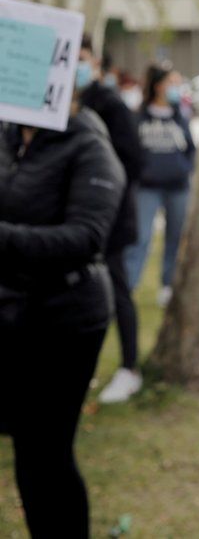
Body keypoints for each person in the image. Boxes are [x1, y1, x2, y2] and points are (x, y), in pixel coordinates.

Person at [0, 83, 125, 535]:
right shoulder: (10, 137)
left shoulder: (90, 146)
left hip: (67, 319)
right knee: (29, 451)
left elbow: (87, 237)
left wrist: (5, 238)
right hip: (13, 311)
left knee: (47, 450)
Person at [77, 34, 147, 403]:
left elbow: (133, 161)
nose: (74, 64)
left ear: (96, 64)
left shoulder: (110, 105)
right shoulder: (53, 106)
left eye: (82, 57)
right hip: (70, 224)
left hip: (111, 221)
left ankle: (129, 367)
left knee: (118, 293)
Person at [126, 62, 196, 307]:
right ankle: (129, 286)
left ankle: (167, 286)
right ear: (157, 86)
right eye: (171, 83)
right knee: (140, 237)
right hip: (147, 188)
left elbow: (190, 148)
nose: (175, 88)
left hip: (178, 187)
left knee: (174, 238)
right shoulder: (138, 117)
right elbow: (131, 152)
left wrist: (185, 169)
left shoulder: (181, 116)